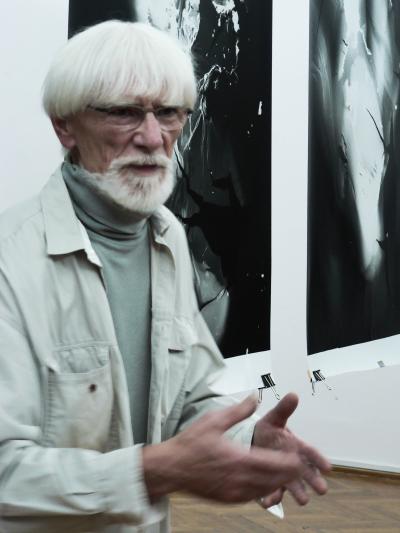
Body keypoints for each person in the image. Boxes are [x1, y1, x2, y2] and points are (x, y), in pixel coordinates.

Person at [0, 20, 330, 533]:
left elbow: (188, 396)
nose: (154, 138)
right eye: (124, 112)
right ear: (65, 127)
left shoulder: (168, 237)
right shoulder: (10, 261)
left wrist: (247, 440)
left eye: (170, 113)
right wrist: (151, 472)